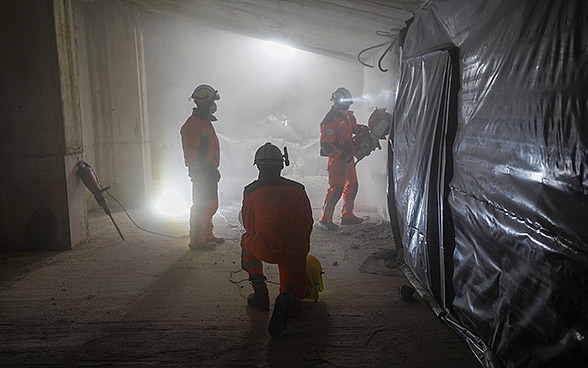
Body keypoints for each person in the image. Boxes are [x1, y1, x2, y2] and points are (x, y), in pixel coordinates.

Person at [240, 142, 314, 337]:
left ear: (257, 166)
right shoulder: (299, 188)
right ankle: (288, 298)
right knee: (298, 292)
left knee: (246, 241)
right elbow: (308, 221)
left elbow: (248, 225)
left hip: (268, 249)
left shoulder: (251, 191)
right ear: (282, 165)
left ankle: (260, 293)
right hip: (297, 249)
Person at [180, 84, 225, 250]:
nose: (215, 104)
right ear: (204, 102)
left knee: (211, 204)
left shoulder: (204, 122)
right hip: (202, 172)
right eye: (213, 101)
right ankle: (197, 241)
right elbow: (191, 154)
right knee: (201, 206)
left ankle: (207, 235)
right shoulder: (192, 125)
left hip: (210, 170)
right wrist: (197, 174)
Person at [318, 87, 367, 231]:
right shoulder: (330, 121)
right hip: (337, 161)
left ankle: (347, 216)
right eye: (345, 105)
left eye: (348, 105)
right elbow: (325, 146)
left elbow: (353, 128)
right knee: (336, 189)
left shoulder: (348, 116)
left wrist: (361, 129)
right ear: (336, 103)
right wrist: (341, 155)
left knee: (353, 185)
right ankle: (324, 220)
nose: (347, 108)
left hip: (348, 158)